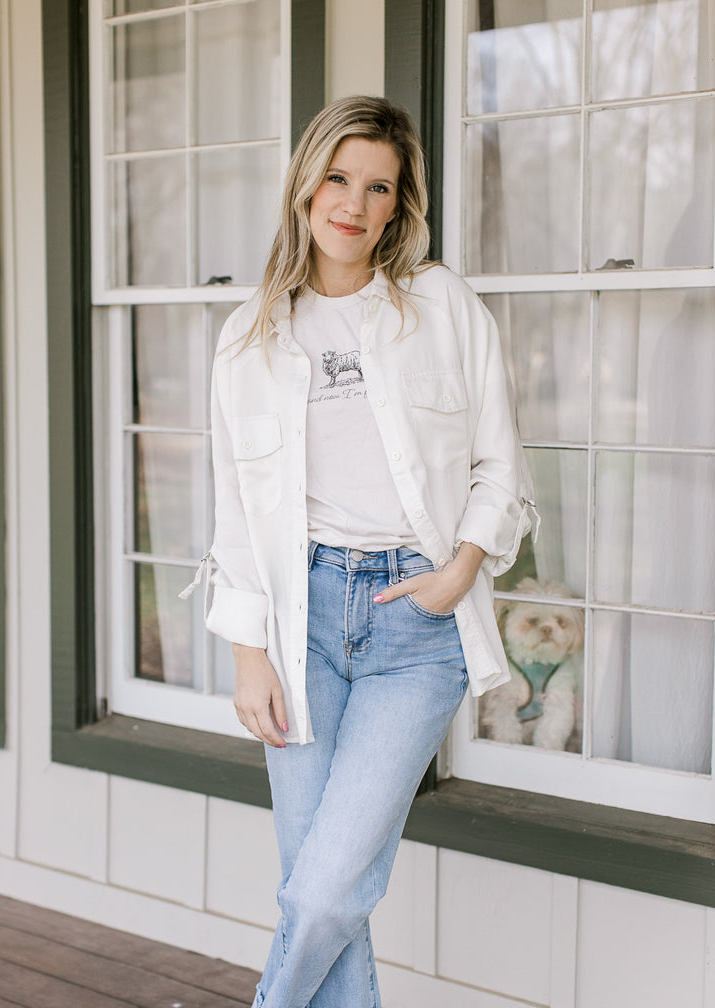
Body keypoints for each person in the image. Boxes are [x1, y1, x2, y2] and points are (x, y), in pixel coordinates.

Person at [202, 96, 538, 1008]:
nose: (353, 203)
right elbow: (236, 513)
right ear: (306, 186)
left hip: (414, 624)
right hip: (299, 623)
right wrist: (249, 655)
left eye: (378, 187)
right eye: (338, 178)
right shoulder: (248, 337)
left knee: (322, 892)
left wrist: (461, 569)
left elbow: (500, 464)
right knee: (323, 895)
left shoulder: (439, 304)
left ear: (398, 206)